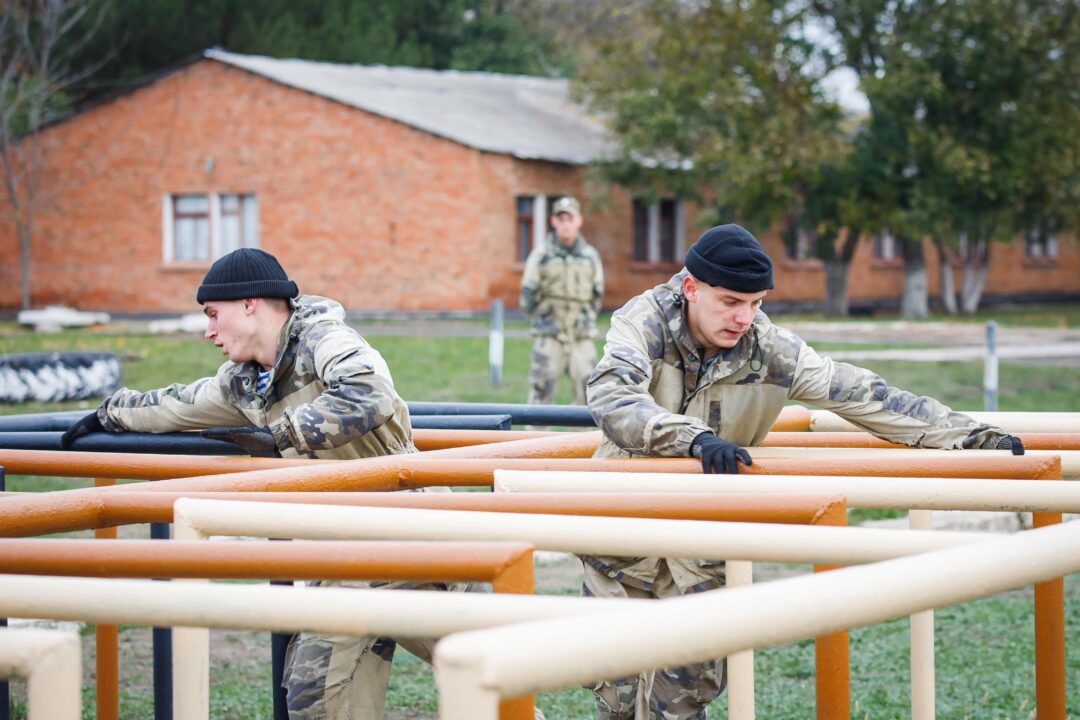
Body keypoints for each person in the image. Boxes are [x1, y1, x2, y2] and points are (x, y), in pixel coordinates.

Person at [583, 223, 1024, 719]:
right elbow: (613, 395)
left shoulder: (768, 349)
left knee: (683, 699)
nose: (744, 318)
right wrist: (694, 439)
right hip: (624, 533)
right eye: (730, 302)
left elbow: (864, 394)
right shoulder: (643, 321)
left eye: (756, 303)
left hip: (703, 541)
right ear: (691, 288)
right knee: (617, 696)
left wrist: (972, 436)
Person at [59, 247, 458, 720]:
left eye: (213, 315)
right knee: (340, 696)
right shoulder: (245, 383)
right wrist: (109, 414)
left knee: (479, 670)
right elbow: (178, 404)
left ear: (249, 304)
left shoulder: (324, 339)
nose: (208, 332)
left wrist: (281, 435)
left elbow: (369, 392)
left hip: (411, 528)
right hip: (354, 547)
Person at [519, 195, 604, 405]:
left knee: (590, 391)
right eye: (561, 219)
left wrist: (585, 318)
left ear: (579, 221)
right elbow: (528, 292)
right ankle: (536, 428)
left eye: (570, 219)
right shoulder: (541, 255)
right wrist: (541, 319)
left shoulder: (590, 256)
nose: (566, 225)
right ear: (553, 221)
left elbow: (597, 293)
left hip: (580, 335)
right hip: (550, 334)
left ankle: (583, 429)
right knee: (541, 390)